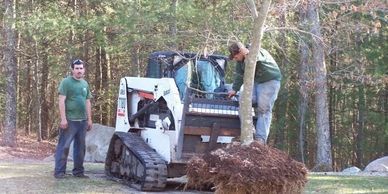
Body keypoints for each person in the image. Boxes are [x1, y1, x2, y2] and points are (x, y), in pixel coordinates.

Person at [227, 42, 281, 144]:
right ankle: (248, 134)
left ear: (241, 52)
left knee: (264, 109)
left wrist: (248, 54)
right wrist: (234, 89)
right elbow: (239, 75)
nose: (234, 58)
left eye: (235, 56)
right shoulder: (240, 62)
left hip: (269, 80)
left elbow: (257, 57)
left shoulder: (256, 51)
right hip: (256, 82)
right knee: (244, 102)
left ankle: (260, 139)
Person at [54, 59, 92, 179]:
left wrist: (89, 119)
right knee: (64, 146)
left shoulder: (85, 84)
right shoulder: (66, 82)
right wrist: (63, 119)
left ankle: (79, 172)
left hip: (82, 121)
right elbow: (61, 101)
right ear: (72, 69)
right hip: (70, 121)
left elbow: (87, 102)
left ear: (84, 69)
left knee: (80, 148)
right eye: (77, 68)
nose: (79, 70)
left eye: (81, 68)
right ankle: (59, 172)